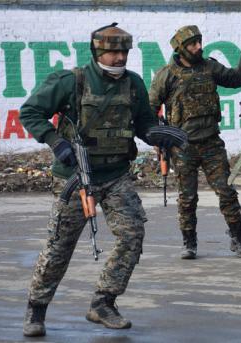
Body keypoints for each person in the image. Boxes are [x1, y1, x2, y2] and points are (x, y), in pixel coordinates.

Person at [19, 23, 187, 337]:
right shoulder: (71, 81)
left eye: (124, 51)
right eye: (113, 51)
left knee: (132, 234)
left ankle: (103, 302)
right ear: (98, 51)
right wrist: (56, 142)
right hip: (75, 176)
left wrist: (156, 134)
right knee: (59, 247)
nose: (119, 57)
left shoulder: (134, 84)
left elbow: (143, 123)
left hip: (115, 175)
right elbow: (29, 112)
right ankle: (36, 309)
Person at [148, 25, 241, 259]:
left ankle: (238, 240)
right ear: (181, 49)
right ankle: (189, 243)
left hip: (211, 144)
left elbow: (235, 79)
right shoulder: (167, 75)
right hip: (182, 147)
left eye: (199, 42)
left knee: (226, 192)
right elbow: (150, 109)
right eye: (193, 44)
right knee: (187, 197)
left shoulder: (209, 66)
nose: (198, 47)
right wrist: (158, 138)